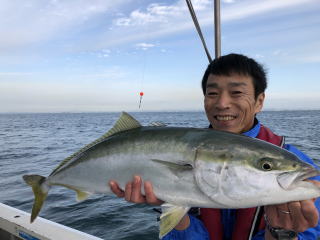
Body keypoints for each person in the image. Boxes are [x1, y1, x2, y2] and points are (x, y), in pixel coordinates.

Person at [109, 53, 320, 239]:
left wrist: (282, 234)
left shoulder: (297, 165)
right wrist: (174, 210)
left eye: (236, 93)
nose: (222, 103)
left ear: (259, 101)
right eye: (212, 93)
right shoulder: (186, 148)